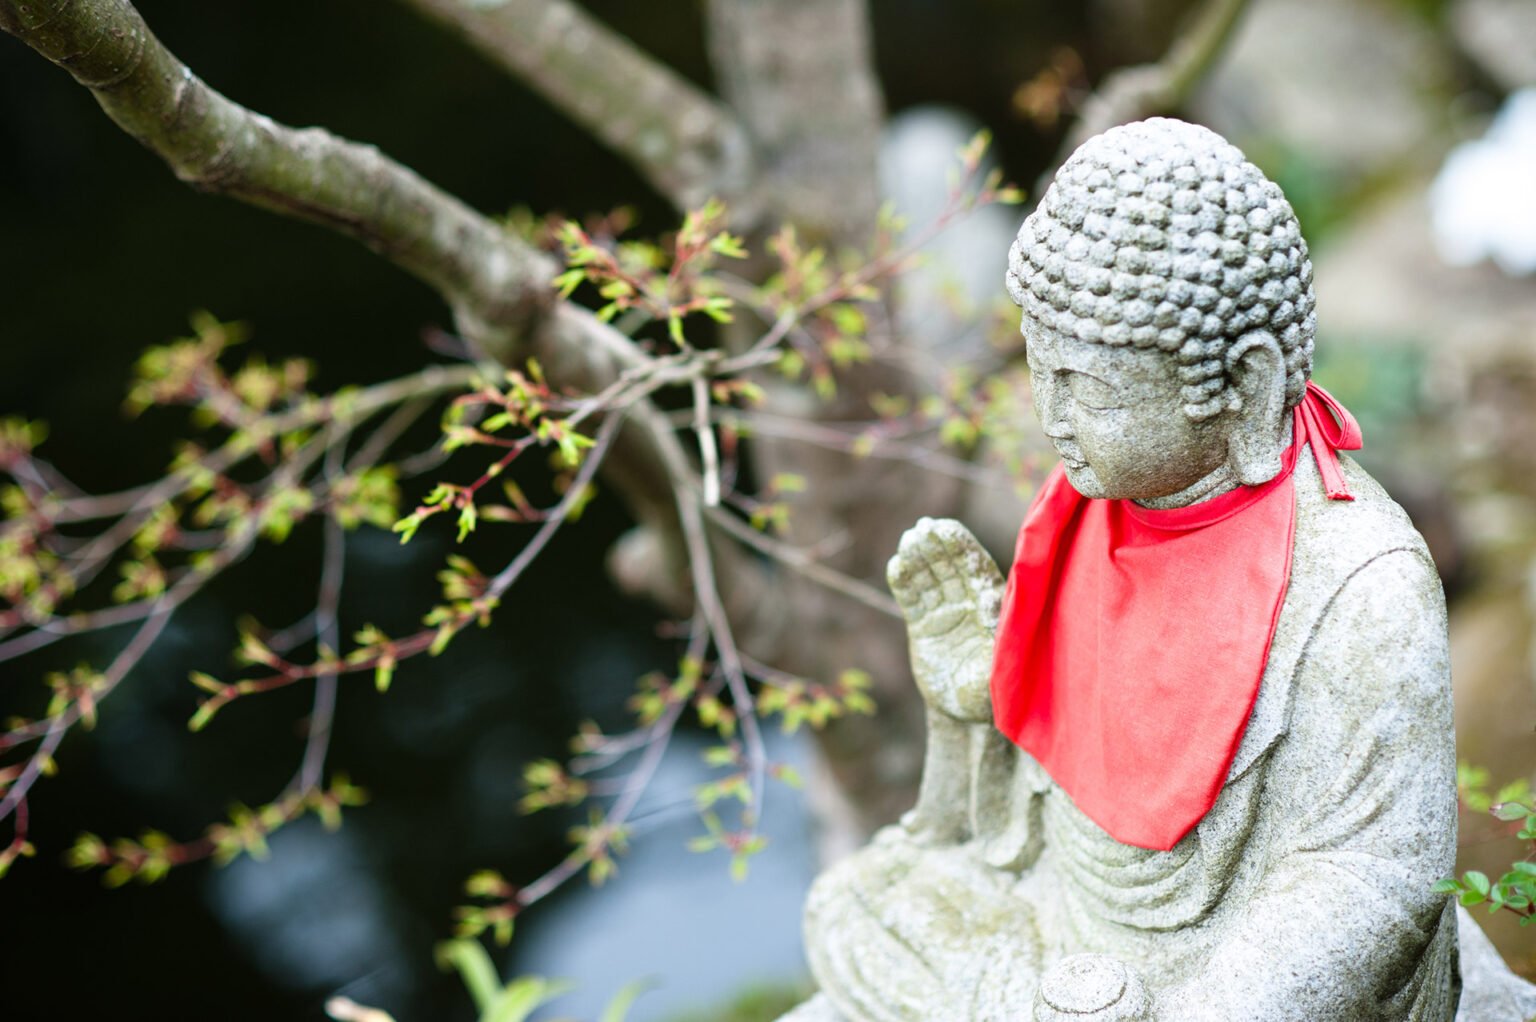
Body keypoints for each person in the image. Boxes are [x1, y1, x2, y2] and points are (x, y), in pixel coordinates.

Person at [783, 119, 1490, 1022]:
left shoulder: (1358, 579)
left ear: (1249, 382)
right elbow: (1017, 833)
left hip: (1228, 968)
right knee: (855, 902)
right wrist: (975, 712)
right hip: (1071, 915)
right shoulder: (1085, 513)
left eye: (1096, 391)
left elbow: (1374, 881)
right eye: (1045, 376)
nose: (1054, 417)